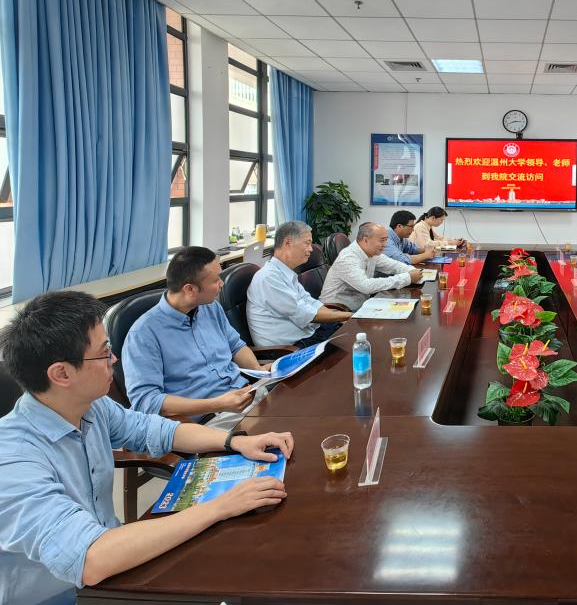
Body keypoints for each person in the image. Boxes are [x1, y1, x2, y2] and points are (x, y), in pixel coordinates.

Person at [0, 290, 293, 605]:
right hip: (61, 593)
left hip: (116, 565)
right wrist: (220, 507)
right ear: (61, 374)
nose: (114, 360)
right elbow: (90, 558)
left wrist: (234, 441)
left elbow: (154, 429)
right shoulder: (12, 460)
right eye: (104, 352)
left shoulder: (90, 406)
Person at [122, 246, 279, 417]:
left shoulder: (211, 308)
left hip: (245, 396)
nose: (222, 283)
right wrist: (216, 404)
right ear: (190, 289)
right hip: (206, 419)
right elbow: (146, 401)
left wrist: (258, 370)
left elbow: (235, 346)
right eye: (216, 280)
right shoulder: (143, 334)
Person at [246, 221, 350, 348]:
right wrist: (349, 316)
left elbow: (311, 303)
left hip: (309, 335)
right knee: (351, 344)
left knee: (353, 334)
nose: (311, 249)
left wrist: (340, 318)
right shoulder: (268, 278)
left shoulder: (285, 273)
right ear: (287, 243)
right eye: (307, 243)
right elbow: (304, 313)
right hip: (291, 349)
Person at [320, 222, 424, 311]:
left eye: (386, 240)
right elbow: (366, 286)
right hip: (338, 313)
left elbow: (394, 265)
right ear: (365, 240)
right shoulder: (348, 258)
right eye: (382, 240)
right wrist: (407, 278)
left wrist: (412, 271)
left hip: (361, 305)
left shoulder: (372, 252)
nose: (385, 244)